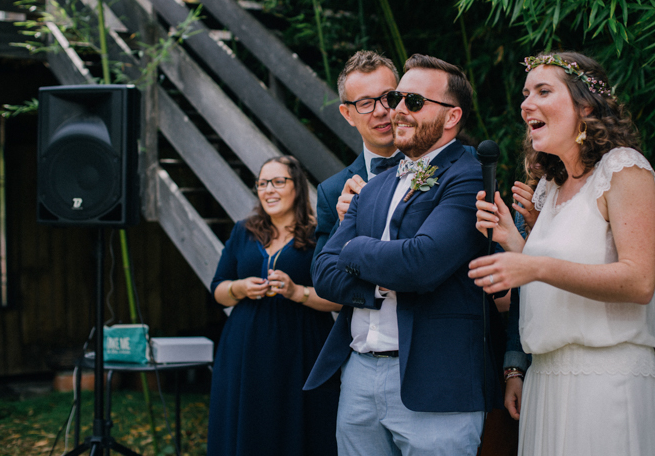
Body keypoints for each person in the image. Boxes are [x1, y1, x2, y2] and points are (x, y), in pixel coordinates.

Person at [469, 51, 655, 455]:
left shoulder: (623, 169)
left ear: (585, 106)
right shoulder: (550, 187)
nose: (527, 103)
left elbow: (639, 281)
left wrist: (533, 263)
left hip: (605, 381)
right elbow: (552, 284)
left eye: (543, 91)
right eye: (526, 93)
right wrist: (514, 241)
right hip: (548, 380)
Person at [306, 54, 505, 456]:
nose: (395, 110)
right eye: (397, 99)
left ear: (451, 117)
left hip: (436, 378)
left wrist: (356, 248)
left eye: (413, 102)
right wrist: (382, 281)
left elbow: (421, 264)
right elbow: (323, 274)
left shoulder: (468, 176)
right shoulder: (375, 185)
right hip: (359, 374)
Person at [206, 156, 342, 456]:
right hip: (245, 348)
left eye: (278, 181)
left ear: (297, 187)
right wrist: (239, 288)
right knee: (248, 424)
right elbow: (218, 288)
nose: (269, 189)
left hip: (302, 347)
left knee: (299, 424)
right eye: (262, 183)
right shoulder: (244, 231)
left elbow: (341, 299)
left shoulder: (320, 234)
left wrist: (298, 292)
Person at [313, 50, 401, 263]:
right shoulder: (331, 191)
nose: (380, 110)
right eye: (365, 103)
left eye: (388, 97)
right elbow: (321, 276)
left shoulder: (445, 162)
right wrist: (344, 225)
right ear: (347, 114)